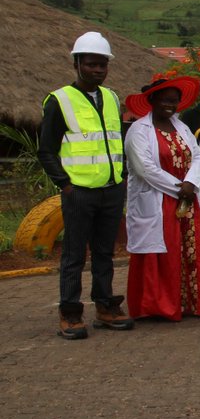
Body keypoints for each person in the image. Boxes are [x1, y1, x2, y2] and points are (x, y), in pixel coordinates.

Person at [38, 32, 131, 339]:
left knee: (105, 252)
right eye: (91, 64)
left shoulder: (112, 97)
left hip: (111, 188)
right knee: (74, 254)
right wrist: (65, 185)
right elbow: (47, 150)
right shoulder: (59, 100)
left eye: (103, 65)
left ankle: (105, 307)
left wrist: (122, 175)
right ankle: (70, 312)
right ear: (77, 63)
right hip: (78, 191)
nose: (98, 70)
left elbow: (115, 141)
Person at [125, 76, 200, 320]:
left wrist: (191, 183)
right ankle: (162, 306)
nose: (170, 106)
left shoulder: (181, 127)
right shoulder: (139, 131)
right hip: (161, 199)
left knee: (194, 249)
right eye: (165, 100)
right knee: (164, 253)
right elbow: (144, 168)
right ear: (152, 100)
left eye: (174, 101)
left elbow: (198, 155)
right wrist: (179, 188)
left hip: (189, 201)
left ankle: (196, 303)